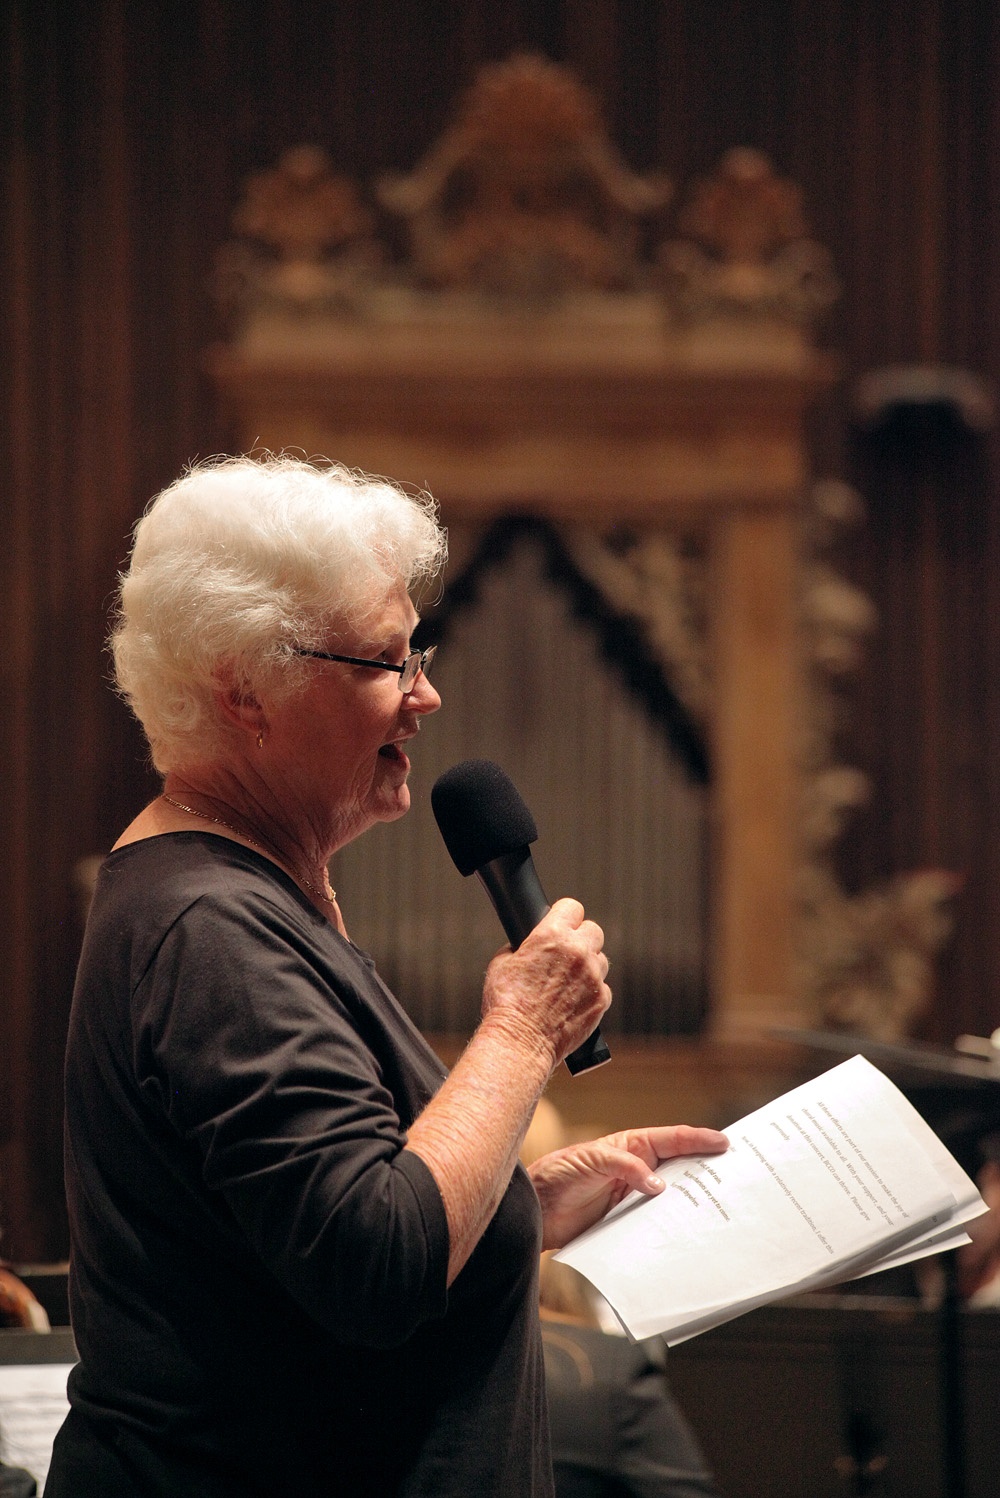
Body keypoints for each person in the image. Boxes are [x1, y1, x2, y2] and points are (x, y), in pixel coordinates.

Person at [46, 455, 728, 1498]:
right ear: (246, 689)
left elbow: (302, 1247)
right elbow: (376, 1266)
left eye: (420, 651)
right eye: (386, 660)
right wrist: (521, 1031)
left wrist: (514, 1206)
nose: (427, 695)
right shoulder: (210, 929)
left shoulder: (238, 899)